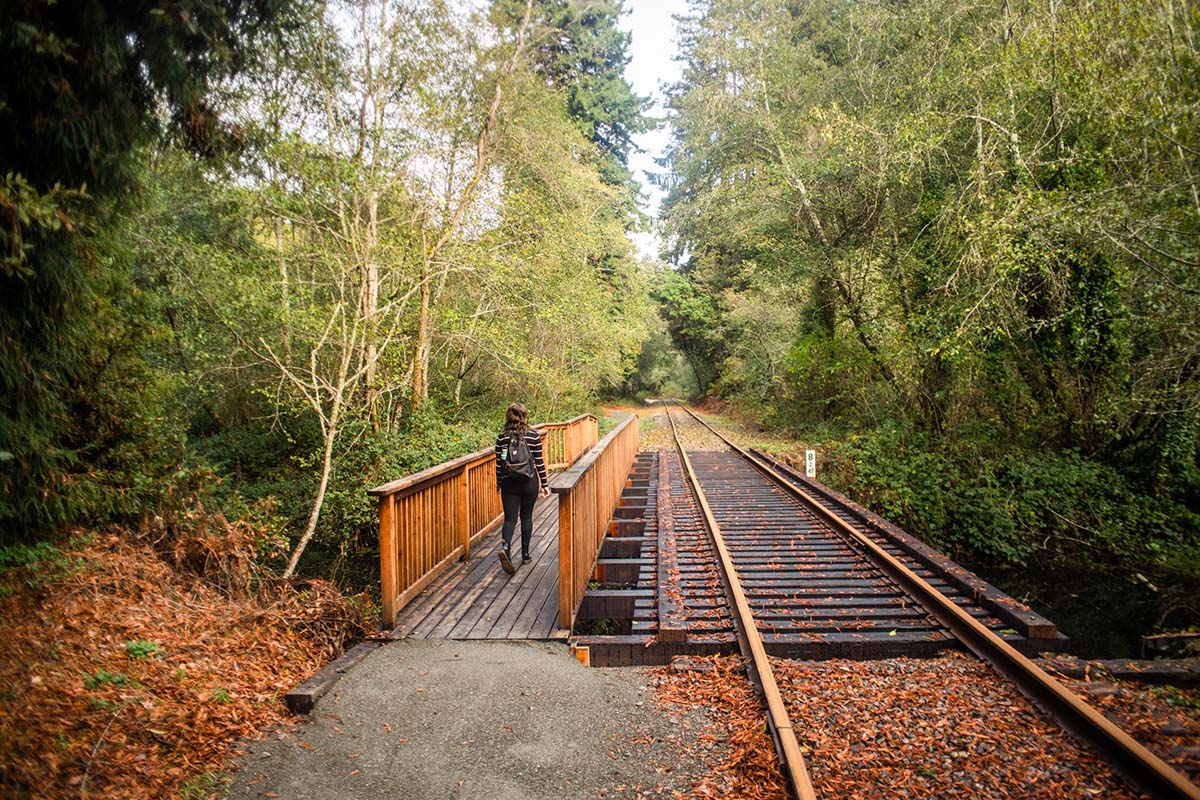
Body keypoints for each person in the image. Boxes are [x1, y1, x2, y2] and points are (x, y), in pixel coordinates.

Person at [494, 402, 550, 574]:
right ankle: (525, 554)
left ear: (508, 416)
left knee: (510, 519)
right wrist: (545, 484)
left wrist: (499, 482)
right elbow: (539, 462)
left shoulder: (502, 438)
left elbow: (500, 462)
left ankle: (506, 547)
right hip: (529, 482)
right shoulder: (533, 436)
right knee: (526, 517)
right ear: (524, 416)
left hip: (509, 483)